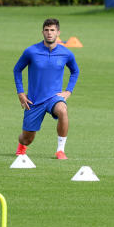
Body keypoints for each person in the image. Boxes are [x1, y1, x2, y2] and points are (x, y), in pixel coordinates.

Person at [13, 18, 79, 160]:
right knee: (27, 138)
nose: (49, 33)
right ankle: (21, 145)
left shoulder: (66, 53)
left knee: (62, 110)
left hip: (54, 97)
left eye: (52, 30)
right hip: (34, 100)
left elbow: (75, 71)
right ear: (42, 32)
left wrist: (68, 91)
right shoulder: (31, 51)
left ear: (58, 32)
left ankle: (60, 150)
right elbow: (17, 70)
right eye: (47, 30)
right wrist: (20, 93)